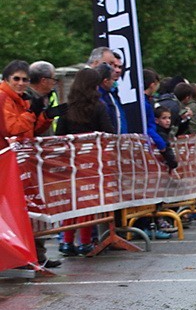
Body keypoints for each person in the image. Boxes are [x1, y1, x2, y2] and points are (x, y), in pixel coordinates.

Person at [0, 60, 60, 268]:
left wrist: (45, 117)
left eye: (24, 79)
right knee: (13, 212)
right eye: (16, 79)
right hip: (7, 163)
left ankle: (32, 254)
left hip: (19, 162)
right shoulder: (4, 98)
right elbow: (12, 127)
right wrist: (32, 112)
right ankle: (18, 256)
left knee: (27, 210)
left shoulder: (22, 99)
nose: (21, 83)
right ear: (6, 79)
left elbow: (29, 129)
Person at [55, 68, 117, 256]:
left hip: (70, 160)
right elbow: (108, 132)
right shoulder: (98, 107)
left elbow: (59, 135)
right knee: (87, 201)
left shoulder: (66, 108)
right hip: (92, 160)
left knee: (70, 202)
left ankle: (66, 241)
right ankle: (85, 241)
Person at [27, 61, 62, 135]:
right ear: (44, 81)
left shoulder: (48, 95)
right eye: (53, 79)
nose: (54, 82)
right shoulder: (25, 99)